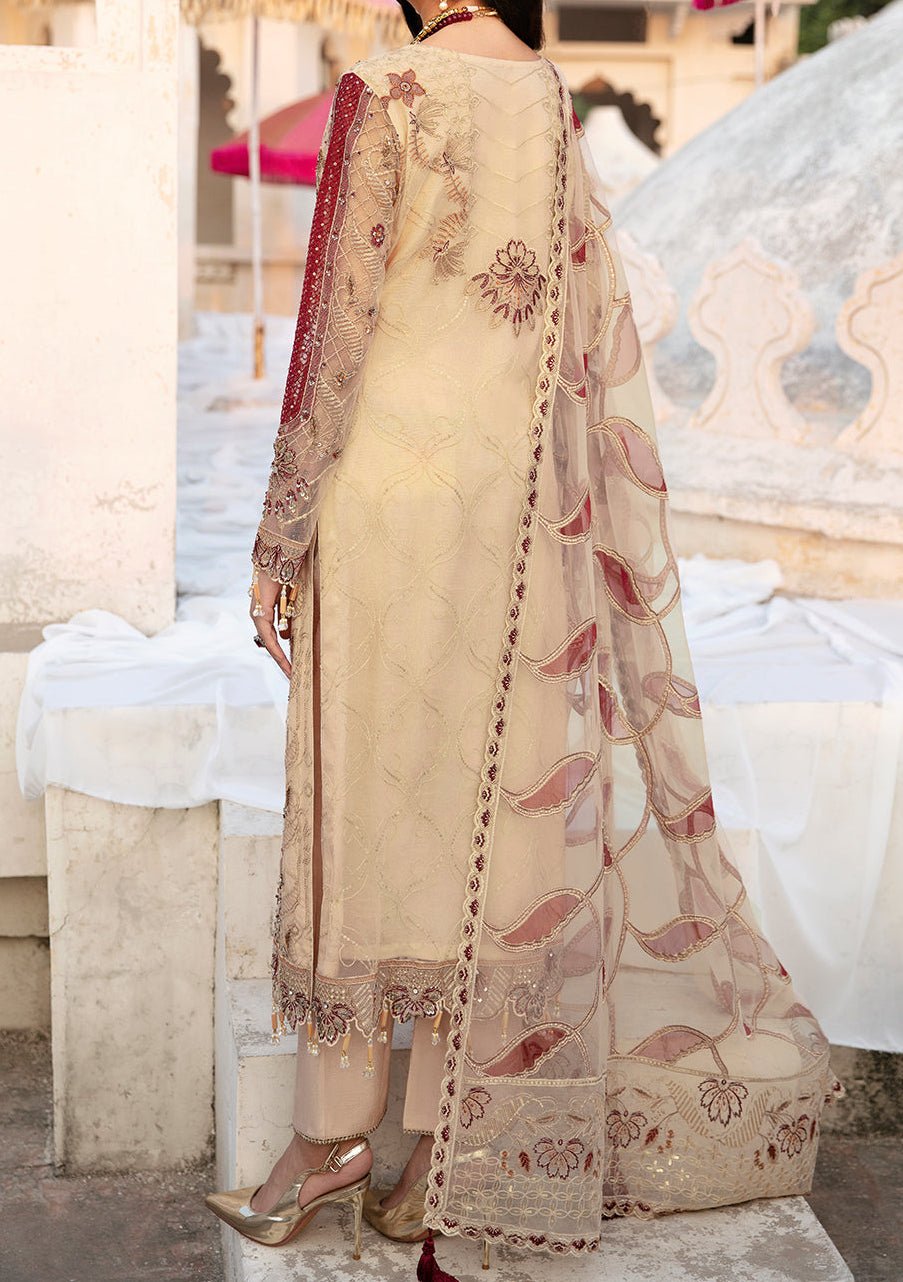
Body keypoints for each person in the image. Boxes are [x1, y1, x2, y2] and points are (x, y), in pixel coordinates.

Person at [206, 0, 841, 1268]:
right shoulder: (550, 101)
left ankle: (329, 1141)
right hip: (510, 518)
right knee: (480, 824)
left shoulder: (386, 91)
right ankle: (434, 1151)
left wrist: (279, 539)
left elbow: (333, 328)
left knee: (363, 808)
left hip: (385, 506)